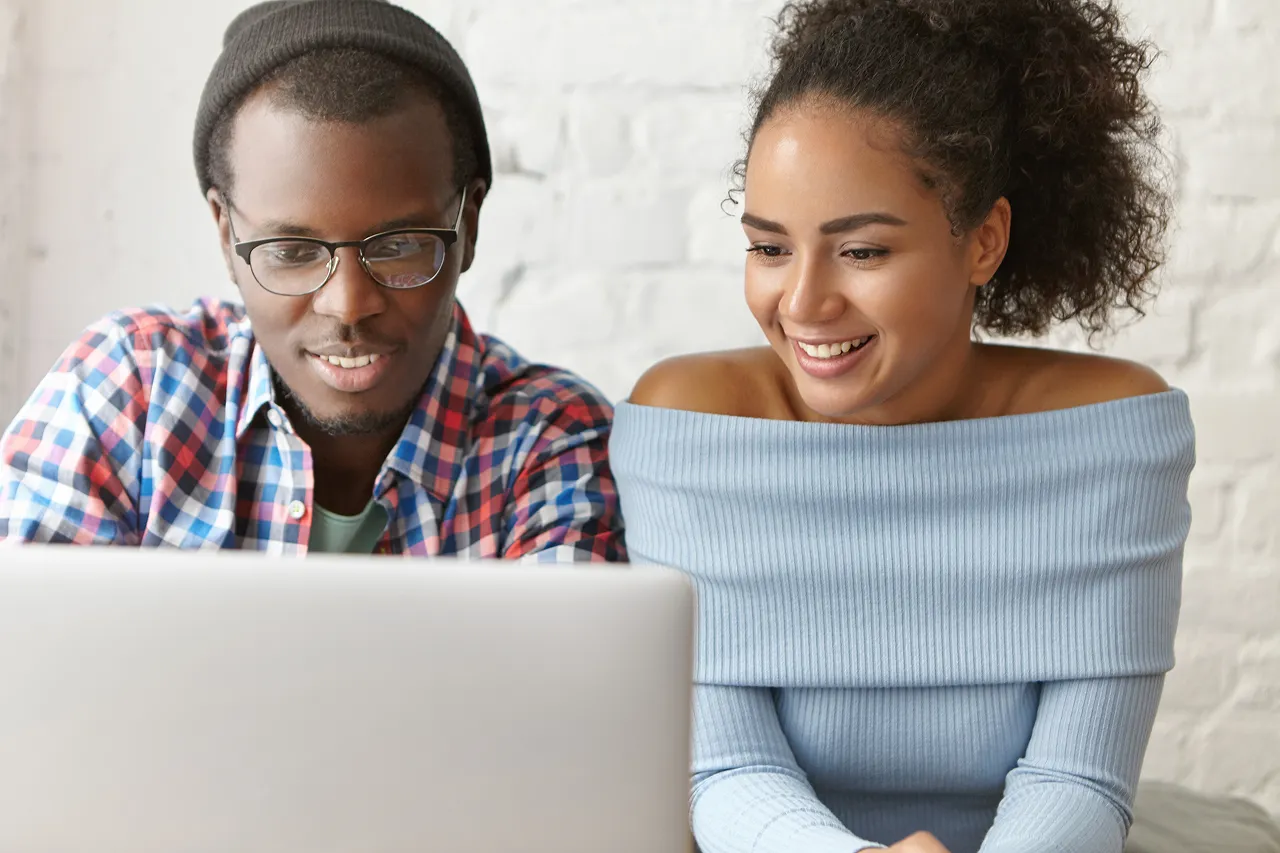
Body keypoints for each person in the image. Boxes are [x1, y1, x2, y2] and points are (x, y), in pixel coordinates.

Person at [610, 0, 1194, 851]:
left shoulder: (1113, 439)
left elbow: (1079, 780)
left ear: (983, 241)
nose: (802, 302)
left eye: (862, 251)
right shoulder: (689, 429)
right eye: (770, 247)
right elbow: (725, 766)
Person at [0, 0, 624, 560]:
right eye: (292, 251)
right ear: (226, 233)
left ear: (470, 224)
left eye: (399, 247)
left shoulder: (550, 442)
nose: (348, 305)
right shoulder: (130, 393)